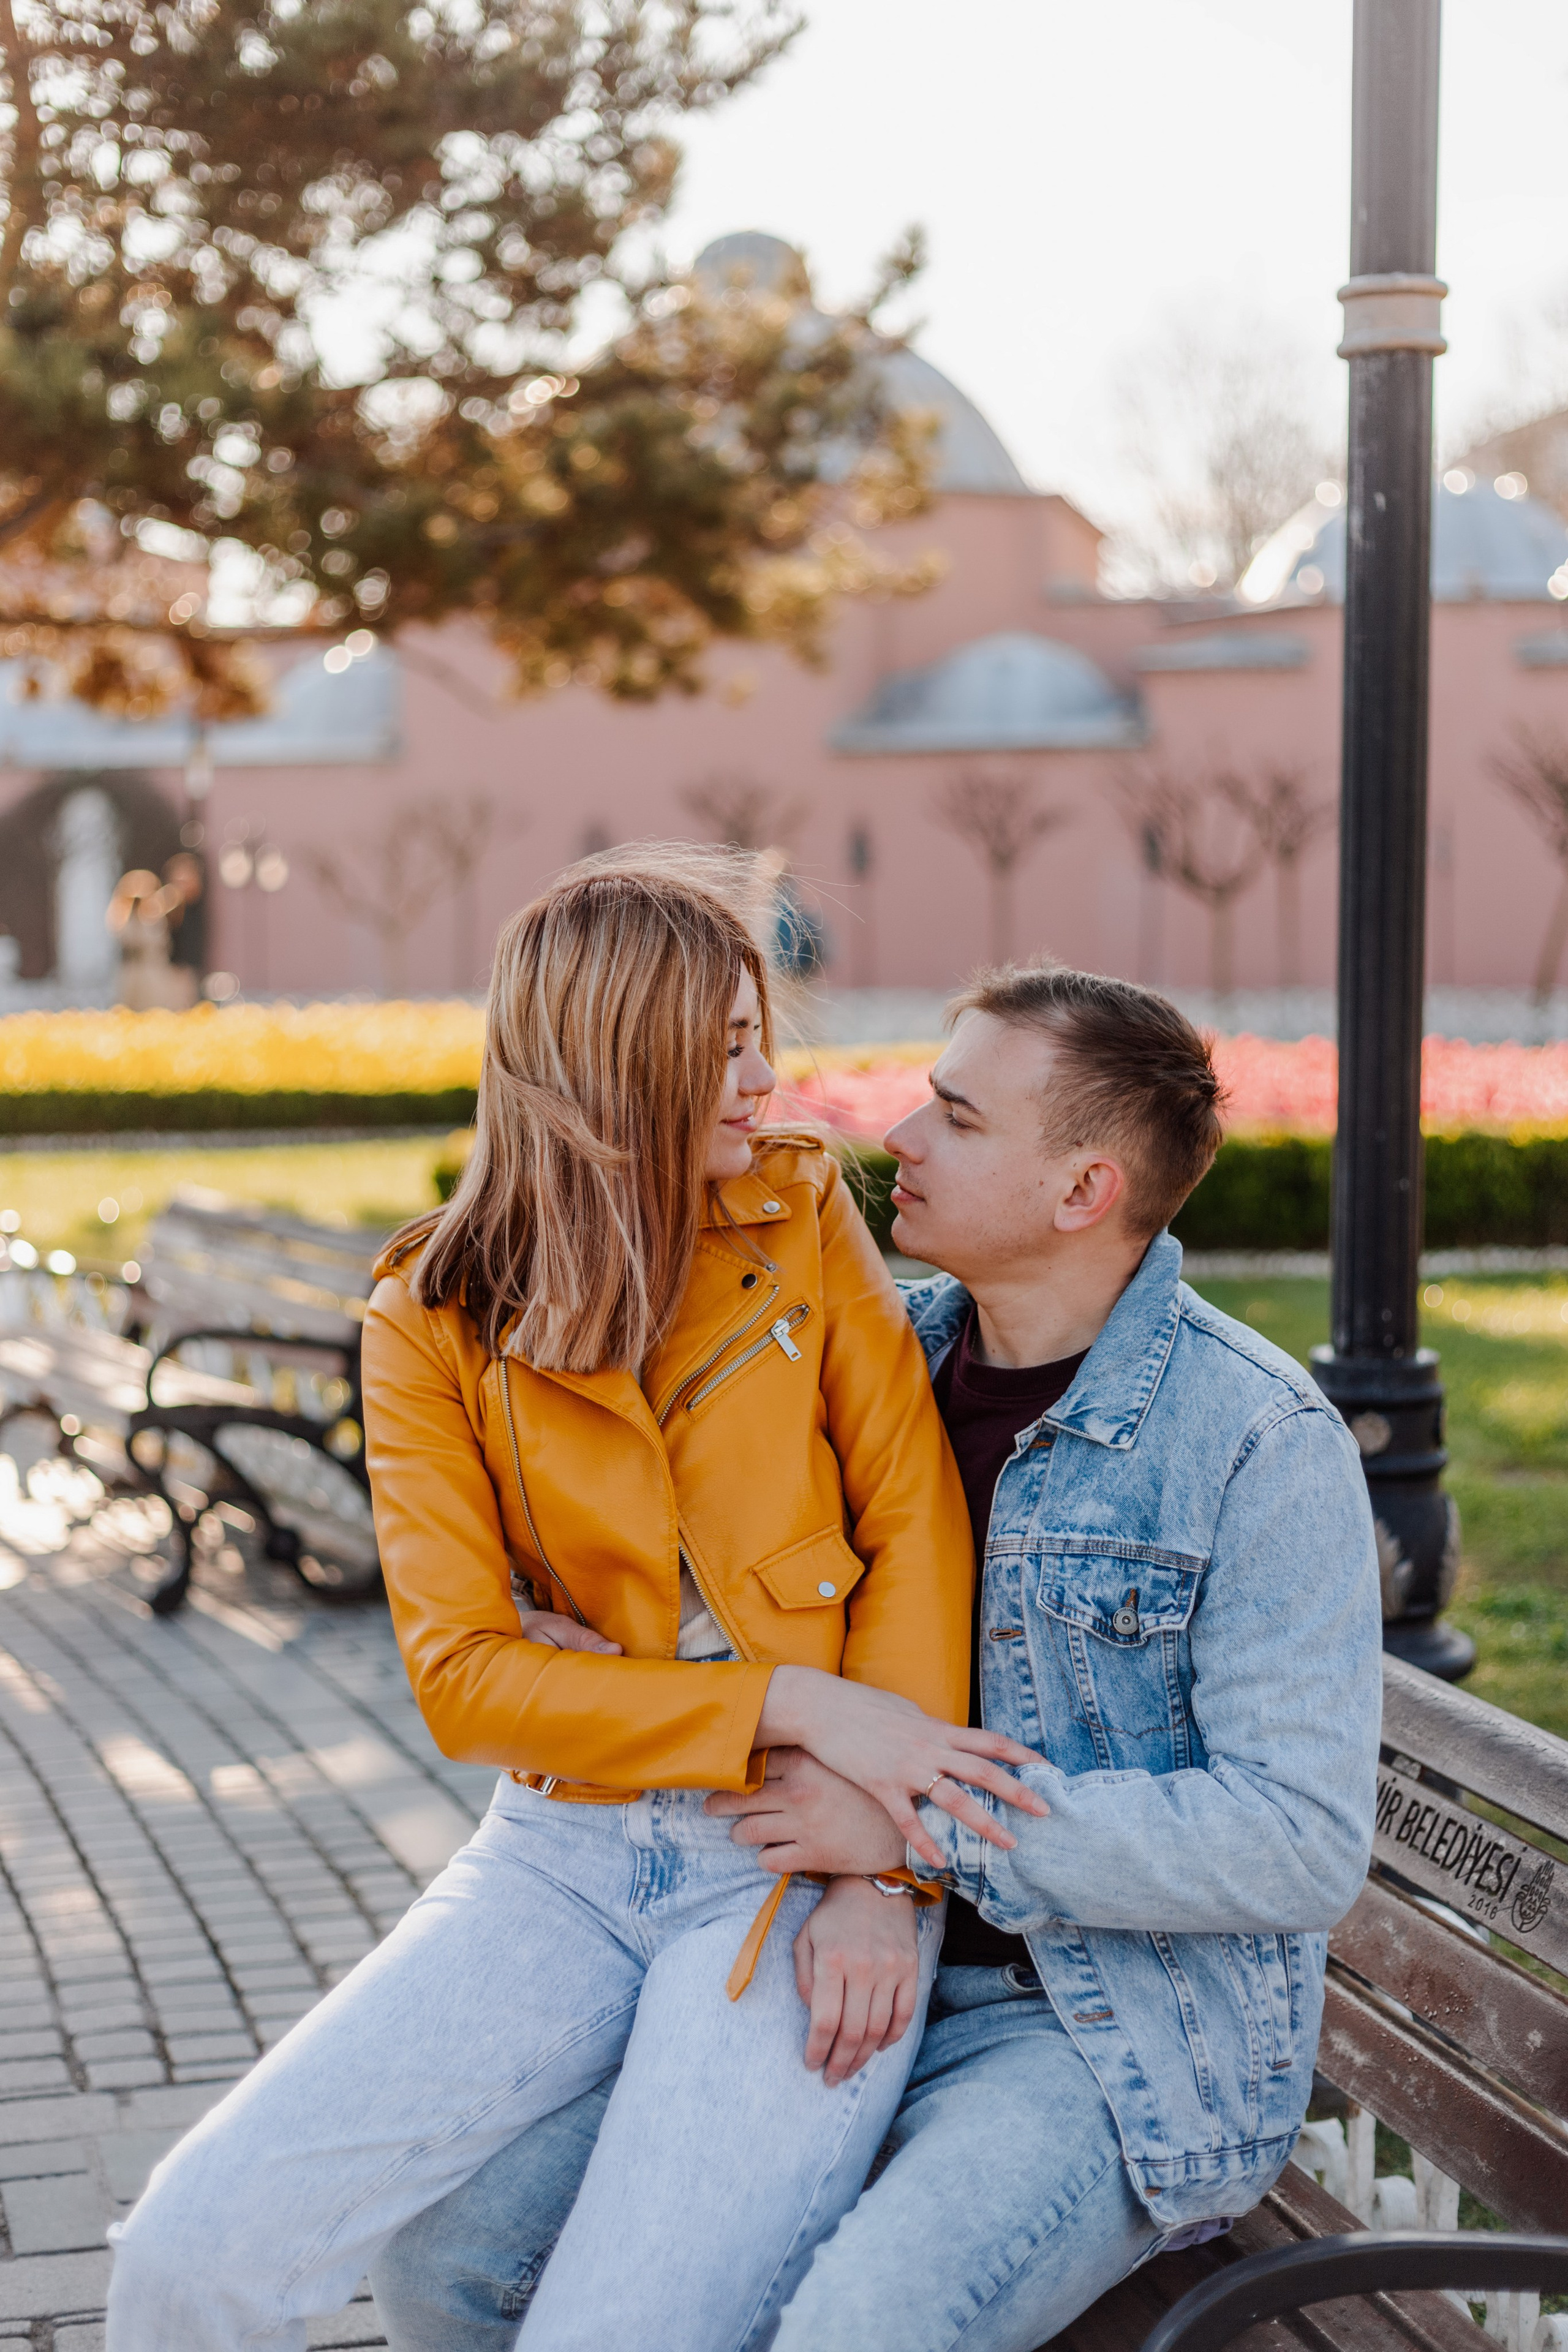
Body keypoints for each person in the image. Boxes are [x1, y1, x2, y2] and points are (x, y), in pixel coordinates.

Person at [106, 852, 1052, 2352]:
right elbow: (466, 1683)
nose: (767, 1079)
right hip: (561, 1855)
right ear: (618, 1064)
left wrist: (884, 1877)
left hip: (790, 1860)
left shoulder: (797, 1217)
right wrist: (796, 1703)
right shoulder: (428, 1313)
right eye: (725, 1046)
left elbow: (913, 1521)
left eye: (760, 1035)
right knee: (189, 2252)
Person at [369, 962, 1384, 2352]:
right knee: (450, 2262)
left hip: (1088, 2032)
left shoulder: (1250, 1441)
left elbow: (1292, 1840)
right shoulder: (854, 1346)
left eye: (955, 1119)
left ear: (1080, 1191)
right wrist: (545, 1611)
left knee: (853, 2327)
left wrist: (919, 1839)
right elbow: (683, 1556)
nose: (893, 1138)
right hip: (791, 1941)